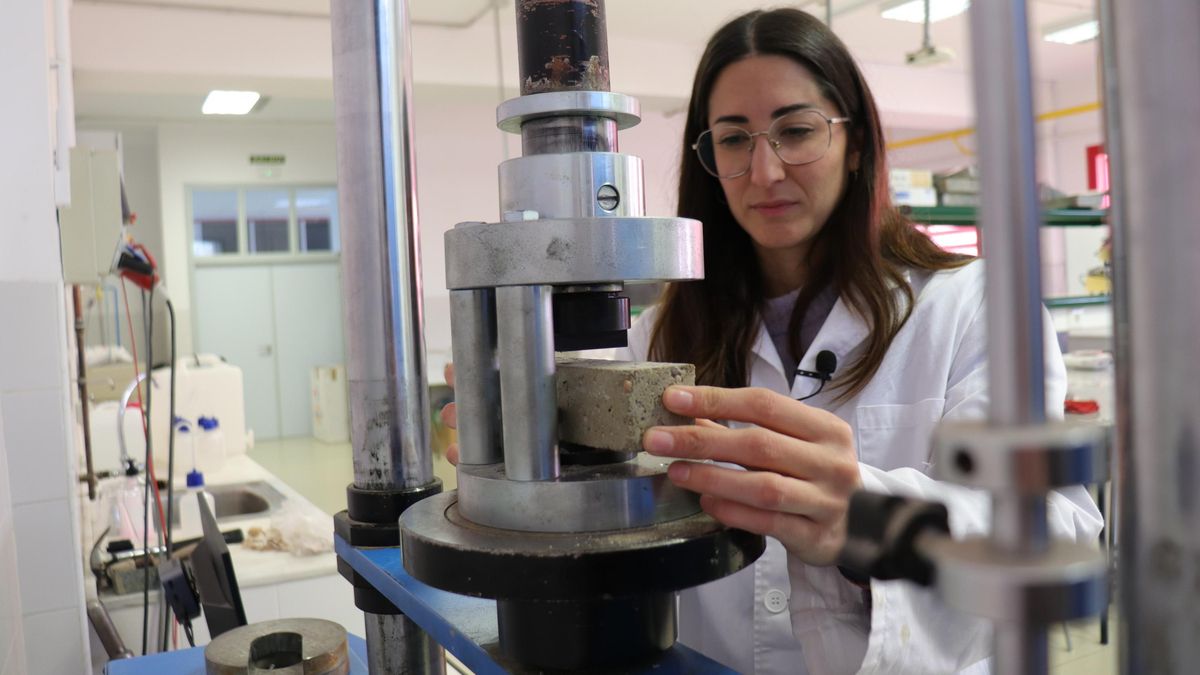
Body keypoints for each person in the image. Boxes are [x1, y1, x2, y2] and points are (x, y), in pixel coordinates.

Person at [443, 7, 1103, 674]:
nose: (765, 171)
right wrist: (536, 444)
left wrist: (872, 523)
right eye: (734, 139)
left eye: (796, 130)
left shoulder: (976, 306)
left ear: (855, 144)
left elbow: (1056, 530)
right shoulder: (661, 332)